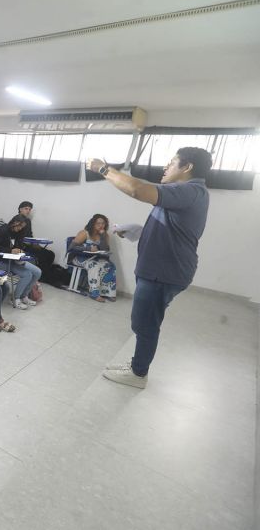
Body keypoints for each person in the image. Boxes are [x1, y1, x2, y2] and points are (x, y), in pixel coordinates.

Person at [89, 147, 211, 388]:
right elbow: (173, 230)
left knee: (145, 324)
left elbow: (137, 189)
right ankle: (137, 365)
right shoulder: (185, 194)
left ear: (187, 167)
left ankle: (138, 373)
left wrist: (103, 169)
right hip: (160, 269)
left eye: (172, 163)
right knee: (145, 320)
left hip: (163, 272)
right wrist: (137, 231)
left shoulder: (190, 190)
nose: (165, 167)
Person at [0, 215, 41, 310]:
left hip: (14, 260)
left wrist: (20, 250)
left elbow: (19, 245)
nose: (20, 228)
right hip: (1, 260)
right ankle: (15, 298)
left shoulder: (19, 232)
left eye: (22, 227)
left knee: (37, 272)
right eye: (20, 226)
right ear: (15, 222)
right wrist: (10, 251)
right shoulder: (3, 230)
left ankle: (24, 296)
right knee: (27, 274)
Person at [70, 214, 117, 303]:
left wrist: (102, 236)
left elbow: (105, 249)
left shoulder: (105, 235)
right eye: (98, 223)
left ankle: (107, 293)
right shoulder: (84, 233)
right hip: (79, 257)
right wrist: (88, 248)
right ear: (93, 223)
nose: (101, 225)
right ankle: (94, 293)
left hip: (95, 257)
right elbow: (71, 247)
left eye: (103, 223)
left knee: (110, 265)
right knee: (94, 266)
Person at [18, 201, 57, 276]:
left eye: (29, 209)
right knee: (42, 255)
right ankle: (42, 275)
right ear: (20, 209)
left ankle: (45, 274)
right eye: (26, 209)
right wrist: (30, 243)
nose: (28, 211)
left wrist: (35, 243)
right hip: (21, 246)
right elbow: (17, 237)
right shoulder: (17, 220)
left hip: (29, 244)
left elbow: (30, 235)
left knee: (51, 254)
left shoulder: (28, 221)